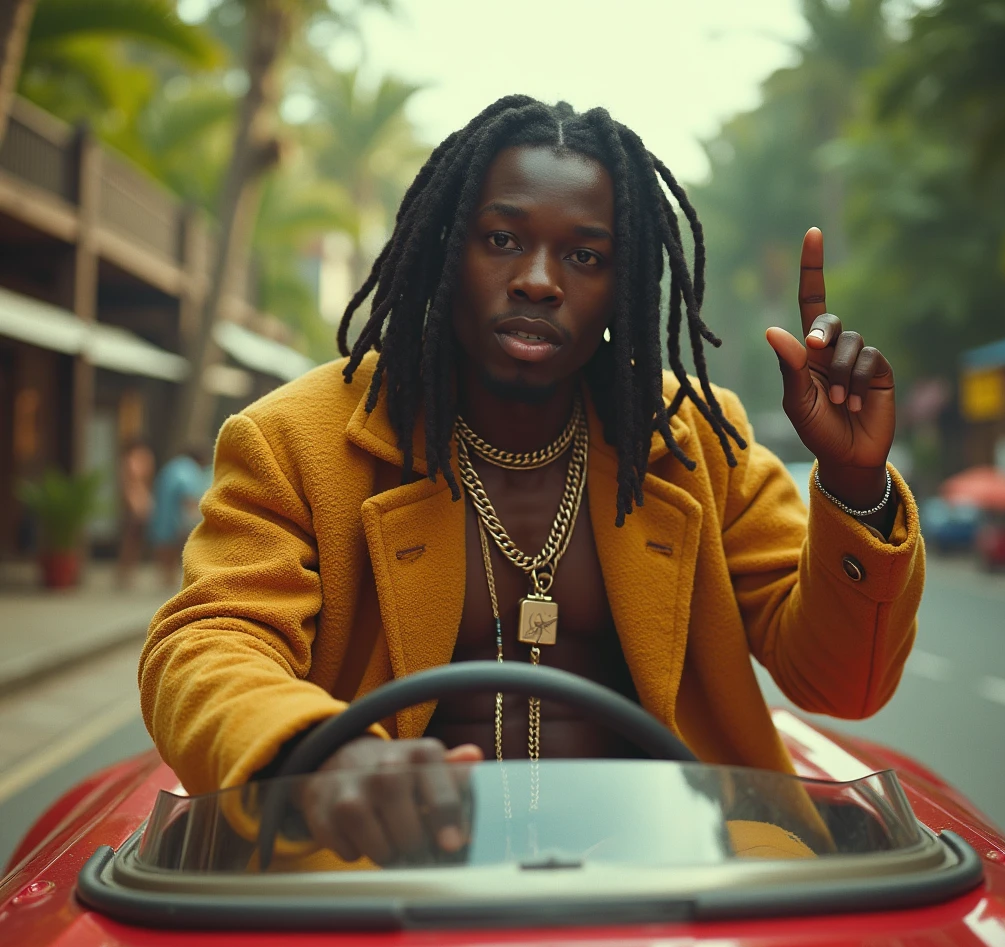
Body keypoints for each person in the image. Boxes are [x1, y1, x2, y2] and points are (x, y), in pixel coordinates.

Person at [140, 97, 923, 865]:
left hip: (670, 883)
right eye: (503, 238)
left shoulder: (696, 443)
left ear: (623, 286)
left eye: (585, 256)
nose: (539, 280)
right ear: (448, 249)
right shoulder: (292, 441)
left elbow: (842, 686)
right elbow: (207, 642)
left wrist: (856, 483)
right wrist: (315, 755)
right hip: (382, 887)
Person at [148, 446, 212, 587]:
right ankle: (170, 579)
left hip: (162, 513)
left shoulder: (173, 465)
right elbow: (187, 496)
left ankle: (166, 578)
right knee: (176, 547)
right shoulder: (189, 469)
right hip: (175, 517)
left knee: (164, 546)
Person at [115, 437, 154, 588]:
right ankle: (124, 572)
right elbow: (128, 480)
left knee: (135, 538)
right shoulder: (132, 459)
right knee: (130, 538)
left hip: (141, 497)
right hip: (134, 499)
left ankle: (128, 571)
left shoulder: (141, 457)